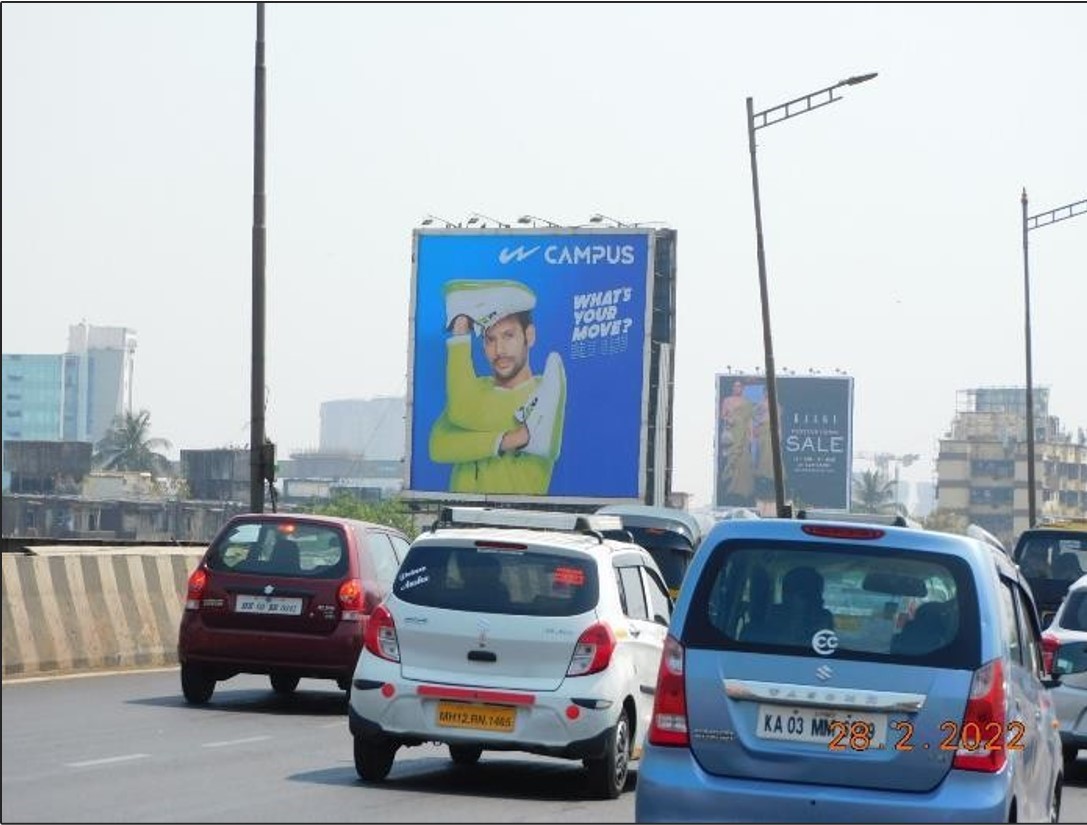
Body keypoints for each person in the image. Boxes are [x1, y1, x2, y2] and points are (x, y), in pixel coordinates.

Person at [429, 279, 566, 495]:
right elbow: (438, 445)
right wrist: (509, 439)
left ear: (529, 336)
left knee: (461, 409)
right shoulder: (474, 390)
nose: (499, 350)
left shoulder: (545, 391)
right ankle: (461, 316)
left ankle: (460, 315)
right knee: (461, 409)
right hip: (462, 517)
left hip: (521, 518)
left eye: (508, 336)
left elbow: (467, 414)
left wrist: (469, 440)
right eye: (490, 339)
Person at [719, 380, 755, 503]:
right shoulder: (727, 400)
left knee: (744, 459)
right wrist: (728, 419)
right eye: (735, 386)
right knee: (732, 458)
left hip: (743, 433)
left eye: (739, 386)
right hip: (733, 433)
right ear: (732, 388)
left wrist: (750, 436)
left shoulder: (747, 402)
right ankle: (730, 487)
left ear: (743, 388)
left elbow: (750, 420)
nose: (737, 388)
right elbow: (723, 415)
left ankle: (744, 489)